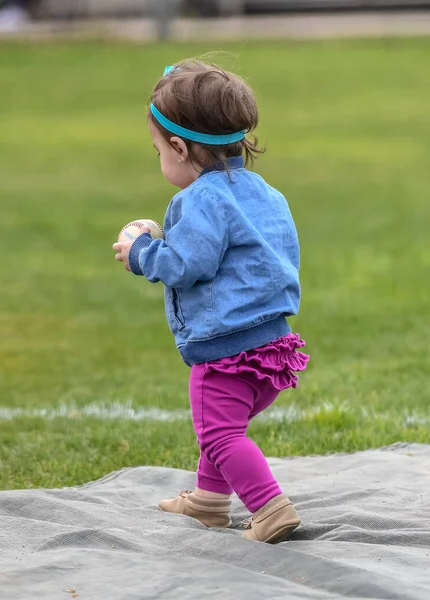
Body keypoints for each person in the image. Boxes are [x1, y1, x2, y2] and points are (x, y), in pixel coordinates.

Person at [112, 61, 309, 544]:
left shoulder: (202, 199)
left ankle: (269, 508)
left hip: (225, 352)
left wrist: (140, 253)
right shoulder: (266, 193)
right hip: (271, 345)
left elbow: (186, 264)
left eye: (158, 149)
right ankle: (209, 501)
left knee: (220, 434)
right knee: (220, 426)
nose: (160, 157)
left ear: (179, 147)